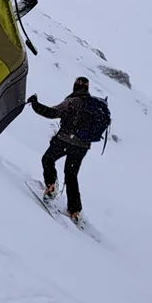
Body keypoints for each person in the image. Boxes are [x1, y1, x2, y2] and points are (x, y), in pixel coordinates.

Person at [29, 75, 107, 221]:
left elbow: (51, 113)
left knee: (48, 159)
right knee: (71, 174)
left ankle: (51, 186)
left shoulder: (72, 102)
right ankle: (75, 210)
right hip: (82, 146)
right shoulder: (93, 105)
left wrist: (34, 103)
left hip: (64, 140)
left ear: (75, 86)